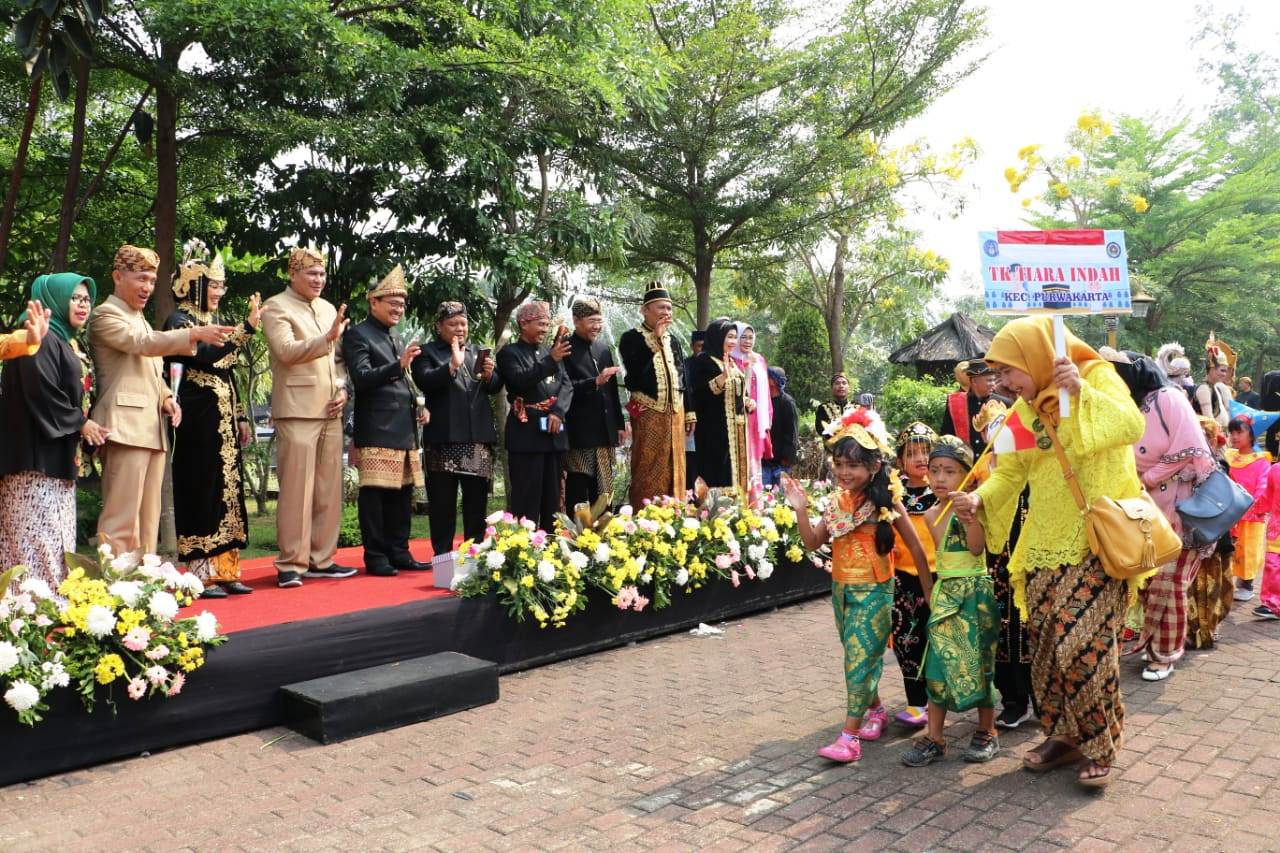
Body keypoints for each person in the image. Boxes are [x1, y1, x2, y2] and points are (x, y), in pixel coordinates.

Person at [949, 316, 1145, 788]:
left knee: (1085, 648)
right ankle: (1062, 735)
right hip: (1041, 546)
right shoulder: (1024, 410)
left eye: (1009, 370)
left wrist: (1080, 392)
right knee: (1048, 651)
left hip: (1098, 540)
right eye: (997, 374)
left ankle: (1099, 741)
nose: (1004, 383)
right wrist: (979, 499)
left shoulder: (1094, 376)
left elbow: (1131, 424)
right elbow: (1010, 474)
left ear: (1031, 357)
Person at [780, 407, 932, 764]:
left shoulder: (888, 501)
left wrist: (930, 593)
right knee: (855, 657)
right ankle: (876, 711)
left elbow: (916, 548)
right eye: (840, 464)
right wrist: (800, 508)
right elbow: (813, 542)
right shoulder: (836, 502)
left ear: (874, 466)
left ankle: (849, 738)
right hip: (842, 590)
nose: (845, 472)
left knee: (859, 662)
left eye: (854, 465)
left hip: (876, 592)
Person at [90, 245, 235, 561]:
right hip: (124, 426)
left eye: (153, 281)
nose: (147, 288)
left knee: (147, 519)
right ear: (117, 276)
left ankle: (142, 584)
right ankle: (114, 586)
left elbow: (150, 367)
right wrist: (193, 334)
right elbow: (142, 345)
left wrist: (167, 396)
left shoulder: (137, 317)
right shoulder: (105, 315)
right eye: (141, 278)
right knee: (121, 518)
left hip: (151, 426)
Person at [1101, 348, 1215, 681]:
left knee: (1170, 583)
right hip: (1142, 513)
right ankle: (1152, 647)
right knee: (1149, 584)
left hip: (1179, 510)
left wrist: (1148, 478)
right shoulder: (1124, 406)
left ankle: (1165, 654)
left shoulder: (1168, 398)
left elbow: (1191, 448)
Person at [163, 247, 260, 598]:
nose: (219, 293)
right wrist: (245, 329)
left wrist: (241, 416)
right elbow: (204, 358)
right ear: (195, 286)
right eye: (214, 286)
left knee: (228, 493)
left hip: (223, 425)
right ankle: (200, 574)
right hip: (196, 425)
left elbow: (228, 372)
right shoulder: (179, 322)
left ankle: (227, 571)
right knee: (201, 491)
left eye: (222, 286)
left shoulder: (211, 323)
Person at [0, 277, 107, 592]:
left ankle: (44, 608)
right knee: (34, 540)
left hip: (52, 458)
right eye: (74, 297)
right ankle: (34, 610)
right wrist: (80, 423)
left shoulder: (60, 339)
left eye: (87, 298)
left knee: (53, 538)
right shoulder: (39, 337)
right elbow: (41, 390)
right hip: (32, 463)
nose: (83, 304)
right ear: (54, 299)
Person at [901, 436, 1000, 766]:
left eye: (950, 471)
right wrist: (929, 591)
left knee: (979, 662)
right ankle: (935, 737)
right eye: (935, 470)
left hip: (974, 595)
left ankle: (987, 731)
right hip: (946, 597)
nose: (940, 478)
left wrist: (970, 517)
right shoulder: (931, 515)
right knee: (937, 666)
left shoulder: (975, 507)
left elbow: (975, 549)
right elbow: (937, 558)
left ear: (967, 475)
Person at [260, 247, 354, 589]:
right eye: (312, 273)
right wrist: (326, 338)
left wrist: (342, 388)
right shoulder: (275, 307)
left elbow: (339, 359)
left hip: (331, 408)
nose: (319, 279)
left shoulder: (328, 308)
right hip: (298, 407)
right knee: (297, 489)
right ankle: (291, 563)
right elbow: (285, 351)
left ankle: (321, 558)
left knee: (328, 489)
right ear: (293, 274)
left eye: (322, 274)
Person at [342, 265, 429, 577]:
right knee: (376, 495)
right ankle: (376, 556)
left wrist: (419, 403)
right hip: (377, 428)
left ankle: (400, 551)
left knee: (403, 494)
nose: (398, 309)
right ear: (373, 302)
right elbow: (362, 378)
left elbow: (401, 380)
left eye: (402, 304)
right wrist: (399, 364)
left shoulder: (395, 336)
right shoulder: (358, 334)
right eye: (392, 302)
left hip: (405, 428)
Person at [411, 301, 501, 574]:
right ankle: (443, 560)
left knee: (476, 505)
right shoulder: (427, 353)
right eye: (452, 324)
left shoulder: (476, 351)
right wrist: (451, 365)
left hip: (477, 441)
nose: (459, 329)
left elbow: (495, 387)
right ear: (439, 327)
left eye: (463, 324)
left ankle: (475, 558)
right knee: (442, 504)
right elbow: (424, 380)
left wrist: (489, 376)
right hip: (444, 441)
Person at [973, 396, 1036, 729]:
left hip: (1030, 569)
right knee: (1003, 632)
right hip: (998, 571)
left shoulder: (1030, 482)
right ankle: (1013, 699)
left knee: (1030, 633)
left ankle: (1038, 697)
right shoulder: (988, 481)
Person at [497, 301, 573, 531]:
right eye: (540, 324)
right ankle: (525, 549)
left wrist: (559, 412)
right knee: (526, 497)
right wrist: (551, 360)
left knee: (554, 497)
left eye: (547, 325)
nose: (545, 329)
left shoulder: (550, 352)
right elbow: (520, 380)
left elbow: (567, 386)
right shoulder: (509, 353)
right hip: (526, 433)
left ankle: (552, 546)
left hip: (554, 433)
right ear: (523, 323)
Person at [619, 283, 694, 506]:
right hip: (648, 411)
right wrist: (654, 341)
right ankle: (645, 518)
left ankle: (675, 515)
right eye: (661, 308)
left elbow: (683, 379)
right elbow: (633, 376)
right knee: (648, 467)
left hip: (675, 414)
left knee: (676, 466)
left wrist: (690, 412)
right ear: (645, 310)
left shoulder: (675, 340)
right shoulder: (631, 338)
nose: (666, 313)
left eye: (669, 309)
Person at [888, 421, 938, 730]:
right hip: (903, 579)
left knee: (937, 638)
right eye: (912, 452)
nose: (920, 458)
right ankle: (916, 702)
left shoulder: (944, 490)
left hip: (938, 575)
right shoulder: (895, 495)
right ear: (900, 460)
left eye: (926, 451)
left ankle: (938, 699)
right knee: (907, 640)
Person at [563, 297, 625, 510]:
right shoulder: (565, 349)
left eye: (599, 321)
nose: (597, 326)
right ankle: (578, 534)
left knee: (604, 487)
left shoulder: (603, 349)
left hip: (604, 430)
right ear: (576, 321)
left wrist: (619, 424)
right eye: (592, 321)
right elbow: (564, 388)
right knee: (579, 483)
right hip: (579, 430)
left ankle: (604, 535)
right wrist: (594, 382)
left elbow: (612, 391)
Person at [1185, 416, 1237, 648]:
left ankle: (1205, 630)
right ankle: (1195, 631)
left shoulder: (1218, 466)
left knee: (1211, 587)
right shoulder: (1185, 464)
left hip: (1212, 538)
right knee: (1195, 587)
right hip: (1196, 537)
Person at [688, 319, 751, 493]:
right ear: (717, 337)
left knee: (736, 474)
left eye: (734, 337)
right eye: (729, 337)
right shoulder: (703, 361)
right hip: (714, 431)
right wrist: (721, 378)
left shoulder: (732, 362)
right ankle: (715, 513)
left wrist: (747, 401)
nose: (733, 342)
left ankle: (738, 510)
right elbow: (697, 395)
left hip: (737, 429)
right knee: (717, 474)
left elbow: (738, 393)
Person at [1225, 414, 1270, 602]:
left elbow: (1263, 485)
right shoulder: (1228, 456)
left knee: (1248, 547)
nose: (1234, 436)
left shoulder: (1261, 460)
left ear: (1251, 434)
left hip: (1251, 513)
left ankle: (1247, 583)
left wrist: (1253, 504)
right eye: (1232, 432)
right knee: (1230, 548)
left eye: (1239, 432)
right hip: (1229, 512)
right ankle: (1228, 581)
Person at [730, 323, 771, 491]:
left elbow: (766, 393)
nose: (747, 341)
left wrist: (767, 417)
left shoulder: (759, 359)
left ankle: (755, 501)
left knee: (754, 458)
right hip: (737, 416)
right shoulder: (730, 359)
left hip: (756, 418)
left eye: (750, 337)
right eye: (743, 337)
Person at [941, 359, 997, 457]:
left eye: (994, 380)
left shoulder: (1002, 403)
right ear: (974, 381)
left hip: (993, 465)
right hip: (965, 465)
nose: (993, 384)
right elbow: (947, 437)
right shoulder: (955, 402)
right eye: (989, 380)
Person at [761, 366, 797, 487]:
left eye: (768, 377)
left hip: (781, 462)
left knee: (780, 499)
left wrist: (787, 457)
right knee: (764, 498)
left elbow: (792, 433)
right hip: (764, 461)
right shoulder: (762, 401)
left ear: (776, 380)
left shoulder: (787, 402)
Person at [684, 330, 705, 493]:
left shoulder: (713, 365)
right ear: (692, 346)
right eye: (699, 346)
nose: (702, 350)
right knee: (690, 461)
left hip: (708, 422)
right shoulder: (685, 365)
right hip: (689, 422)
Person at [1196, 339, 1233, 428]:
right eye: (1222, 370)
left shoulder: (1215, 387)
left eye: (1225, 371)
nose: (1224, 374)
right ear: (1212, 369)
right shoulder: (1204, 389)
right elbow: (1209, 421)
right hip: (1212, 436)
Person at [1261, 371, 1280, 459]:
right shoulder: (1274, 377)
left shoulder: (1269, 376)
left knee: (1271, 441)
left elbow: (1263, 402)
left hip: (1271, 419)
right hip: (1275, 420)